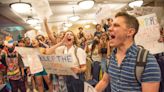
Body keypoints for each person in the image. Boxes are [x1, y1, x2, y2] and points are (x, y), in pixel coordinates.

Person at [95, 12, 161, 92]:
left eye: (116, 25)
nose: (109, 29)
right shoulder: (111, 57)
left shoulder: (147, 61)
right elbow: (104, 81)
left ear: (130, 32)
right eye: (110, 25)